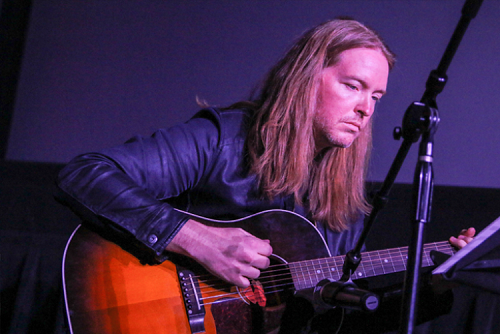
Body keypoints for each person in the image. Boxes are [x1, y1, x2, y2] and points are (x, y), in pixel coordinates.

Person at [57, 18, 474, 332]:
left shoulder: (340, 199)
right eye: (352, 86)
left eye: (376, 96)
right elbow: (85, 173)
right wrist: (196, 239)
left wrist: (433, 288)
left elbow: (331, 322)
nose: (367, 109)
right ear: (307, 78)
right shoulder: (225, 138)